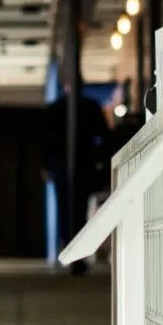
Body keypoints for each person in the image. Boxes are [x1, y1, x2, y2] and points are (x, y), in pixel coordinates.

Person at [41, 85, 110, 275]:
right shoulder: (90, 107)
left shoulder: (56, 108)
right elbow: (104, 137)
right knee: (78, 211)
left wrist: (47, 165)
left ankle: (72, 251)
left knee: (66, 210)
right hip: (83, 166)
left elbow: (44, 140)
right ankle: (75, 254)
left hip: (64, 167)